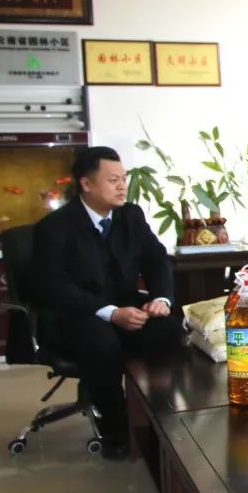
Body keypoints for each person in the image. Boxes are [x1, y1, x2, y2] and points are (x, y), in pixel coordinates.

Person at [30, 146, 183, 460]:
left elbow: (156, 258)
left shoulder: (130, 216)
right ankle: (116, 429)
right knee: (101, 341)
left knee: (168, 329)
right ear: (86, 184)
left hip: (127, 307)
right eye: (113, 180)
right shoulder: (55, 227)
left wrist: (160, 298)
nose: (122, 186)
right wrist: (111, 313)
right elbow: (53, 286)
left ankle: (162, 419)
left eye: (123, 179)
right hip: (77, 314)